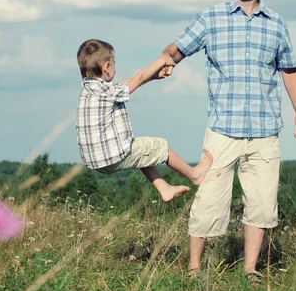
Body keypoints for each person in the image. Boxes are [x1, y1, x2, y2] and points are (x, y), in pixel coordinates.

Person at [160, 0, 296, 282]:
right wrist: (163, 63)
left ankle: (250, 270)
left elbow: (290, 68)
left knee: (261, 204)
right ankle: (194, 269)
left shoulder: (276, 23)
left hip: (264, 130)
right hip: (222, 130)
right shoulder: (210, 18)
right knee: (209, 201)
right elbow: (177, 48)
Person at [75, 39, 213, 203]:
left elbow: (127, 84)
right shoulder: (106, 92)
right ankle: (195, 175)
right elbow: (138, 78)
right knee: (161, 147)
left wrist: (153, 77)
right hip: (113, 156)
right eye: (114, 63)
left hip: (96, 160)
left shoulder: (89, 88)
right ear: (106, 67)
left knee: (143, 150)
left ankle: (165, 189)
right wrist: (162, 60)